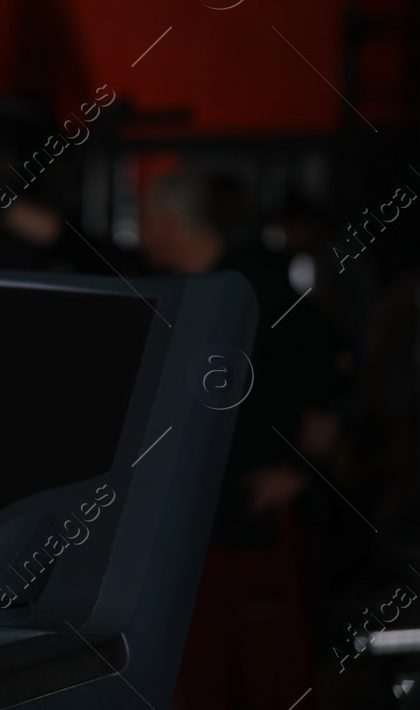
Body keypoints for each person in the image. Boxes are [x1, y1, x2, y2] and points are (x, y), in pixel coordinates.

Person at [144, 168, 346, 710]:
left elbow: (331, 374)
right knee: (200, 668)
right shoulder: (179, 291)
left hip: (252, 516)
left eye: (148, 218)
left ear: (166, 224)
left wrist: (300, 469)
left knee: (269, 671)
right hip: (193, 523)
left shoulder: (254, 284)